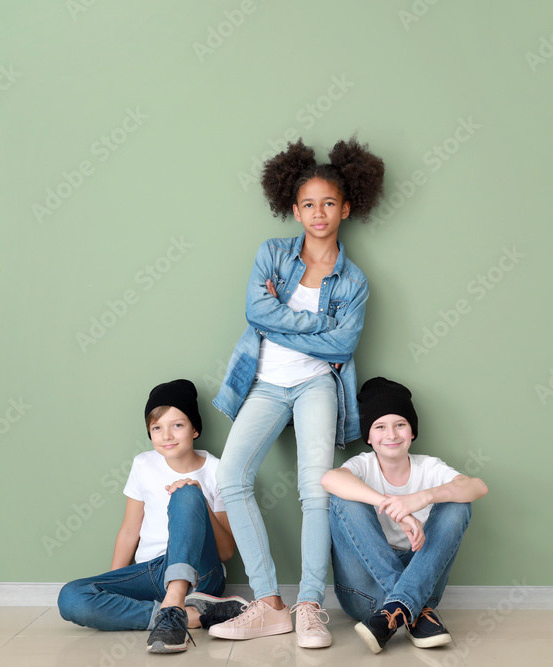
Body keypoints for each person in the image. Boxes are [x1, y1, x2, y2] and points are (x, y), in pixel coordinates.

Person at [209, 137, 385, 649]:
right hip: (265, 384)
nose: (318, 213)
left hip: (316, 386)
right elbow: (254, 313)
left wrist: (281, 323)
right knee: (231, 474)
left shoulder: (353, 281)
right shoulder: (271, 254)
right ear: (294, 209)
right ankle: (268, 603)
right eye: (308, 204)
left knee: (316, 490)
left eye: (328, 203)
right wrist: (314, 328)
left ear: (346, 208)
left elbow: (344, 343)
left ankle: (310, 604)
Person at [58, 379, 245, 653]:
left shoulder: (217, 471)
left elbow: (226, 552)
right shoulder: (143, 464)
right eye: (157, 428)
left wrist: (200, 501)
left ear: (195, 429)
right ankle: (189, 615)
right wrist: (115, 584)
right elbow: (129, 531)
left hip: (201, 575)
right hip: (153, 572)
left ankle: (176, 601)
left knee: (186, 493)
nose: (166, 435)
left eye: (177, 425)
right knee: (71, 598)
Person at [321, 377, 489, 654]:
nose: (391, 435)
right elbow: (330, 479)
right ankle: (412, 610)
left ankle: (396, 610)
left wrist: (421, 498)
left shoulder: (428, 467)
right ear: (369, 437)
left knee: (458, 503)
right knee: (346, 499)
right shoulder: (363, 465)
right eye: (380, 427)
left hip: (422, 583)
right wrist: (392, 506)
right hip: (365, 595)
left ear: (412, 431)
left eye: (400, 424)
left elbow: (477, 487)